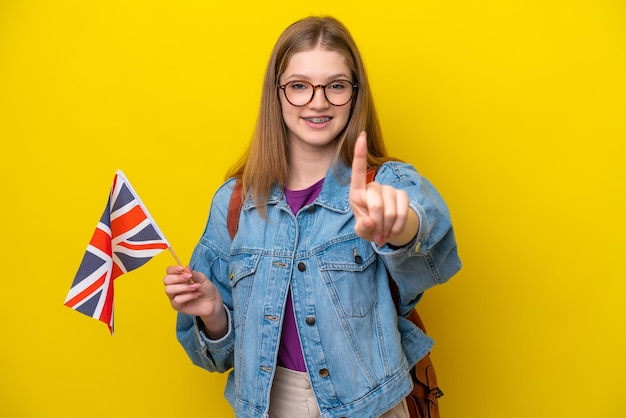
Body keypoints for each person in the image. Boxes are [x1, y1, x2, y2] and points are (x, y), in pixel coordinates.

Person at [163, 15, 461, 418]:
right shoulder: (234, 203)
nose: (318, 101)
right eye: (300, 86)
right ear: (277, 94)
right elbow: (215, 358)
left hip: (370, 406)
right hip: (269, 406)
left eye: (336, 86)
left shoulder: (385, 183)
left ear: (355, 94)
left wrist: (399, 227)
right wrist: (215, 316)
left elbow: (428, 230)